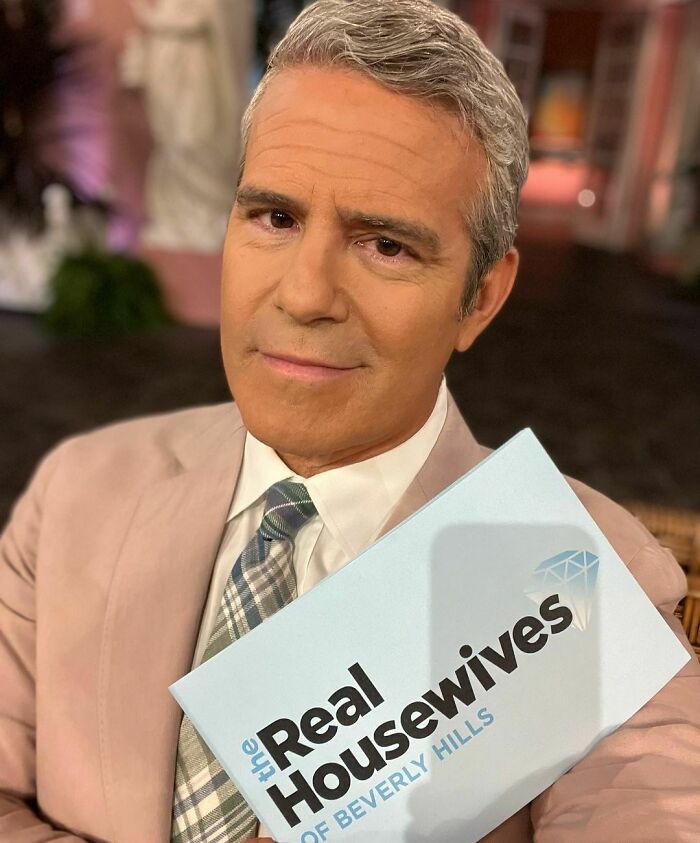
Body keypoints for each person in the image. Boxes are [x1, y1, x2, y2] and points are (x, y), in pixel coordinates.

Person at [1, 1, 699, 840]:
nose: (303, 294)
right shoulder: (77, 491)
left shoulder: (580, 575)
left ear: (481, 297)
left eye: (386, 245)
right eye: (276, 218)